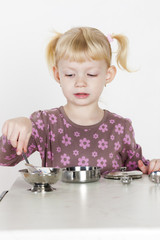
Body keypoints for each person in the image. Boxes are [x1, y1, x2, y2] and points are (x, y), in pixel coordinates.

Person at [0, 26, 159, 175]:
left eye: (91, 74)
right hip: (56, 206)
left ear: (108, 75)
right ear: (58, 75)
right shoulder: (44, 123)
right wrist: (15, 132)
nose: (80, 83)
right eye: (70, 74)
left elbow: (139, 170)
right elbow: (4, 159)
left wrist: (153, 167)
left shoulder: (120, 128)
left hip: (109, 206)